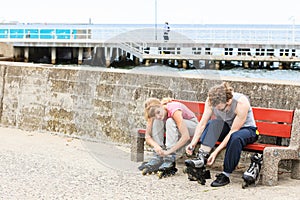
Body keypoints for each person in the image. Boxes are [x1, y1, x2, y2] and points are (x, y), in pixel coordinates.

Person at [185, 82, 258, 187]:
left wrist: (215, 152)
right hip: (228, 127)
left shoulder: (241, 103)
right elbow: (202, 124)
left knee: (235, 137)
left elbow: (234, 131)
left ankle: (225, 174)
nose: (218, 110)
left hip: (247, 130)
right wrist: (192, 144)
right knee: (213, 123)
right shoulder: (211, 101)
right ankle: (201, 158)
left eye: (221, 108)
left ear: (228, 101)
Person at [139, 97, 198, 176]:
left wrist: (168, 152)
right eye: (154, 115)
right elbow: (147, 136)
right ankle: (158, 156)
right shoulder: (154, 112)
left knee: (170, 121)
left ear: (161, 105)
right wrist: (157, 146)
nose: (158, 116)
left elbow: (185, 136)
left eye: (158, 112)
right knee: (157, 121)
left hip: (192, 127)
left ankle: (170, 159)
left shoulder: (174, 110)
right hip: (174, 129)